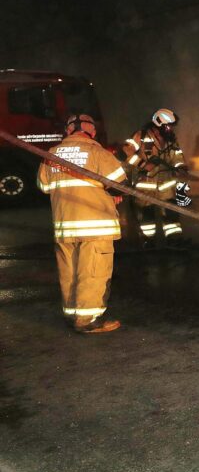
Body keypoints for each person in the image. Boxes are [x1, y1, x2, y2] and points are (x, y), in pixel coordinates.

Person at [37, 114, 127, 334]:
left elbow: (43, 186)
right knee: (93, 272)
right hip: (95, 226)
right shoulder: (97, 153)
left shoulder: (50, 154)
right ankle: (87, 320)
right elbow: (120, 185)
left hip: (64, 225)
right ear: (93, 132)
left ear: (68, 131)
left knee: (69, 271)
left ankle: (72, 314)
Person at [119, 108, 188, 242]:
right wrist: (143, 165)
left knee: (171, 213)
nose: (171, 129)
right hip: (146, 185)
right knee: (147, 216)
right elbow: (125, 152)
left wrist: (181, 166)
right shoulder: (141, 136)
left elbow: (177, 155)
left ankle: (174, 240)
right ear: (159, 124)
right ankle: (148, 241)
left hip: (167, 185)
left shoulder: (170, 139)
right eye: (168, 126)